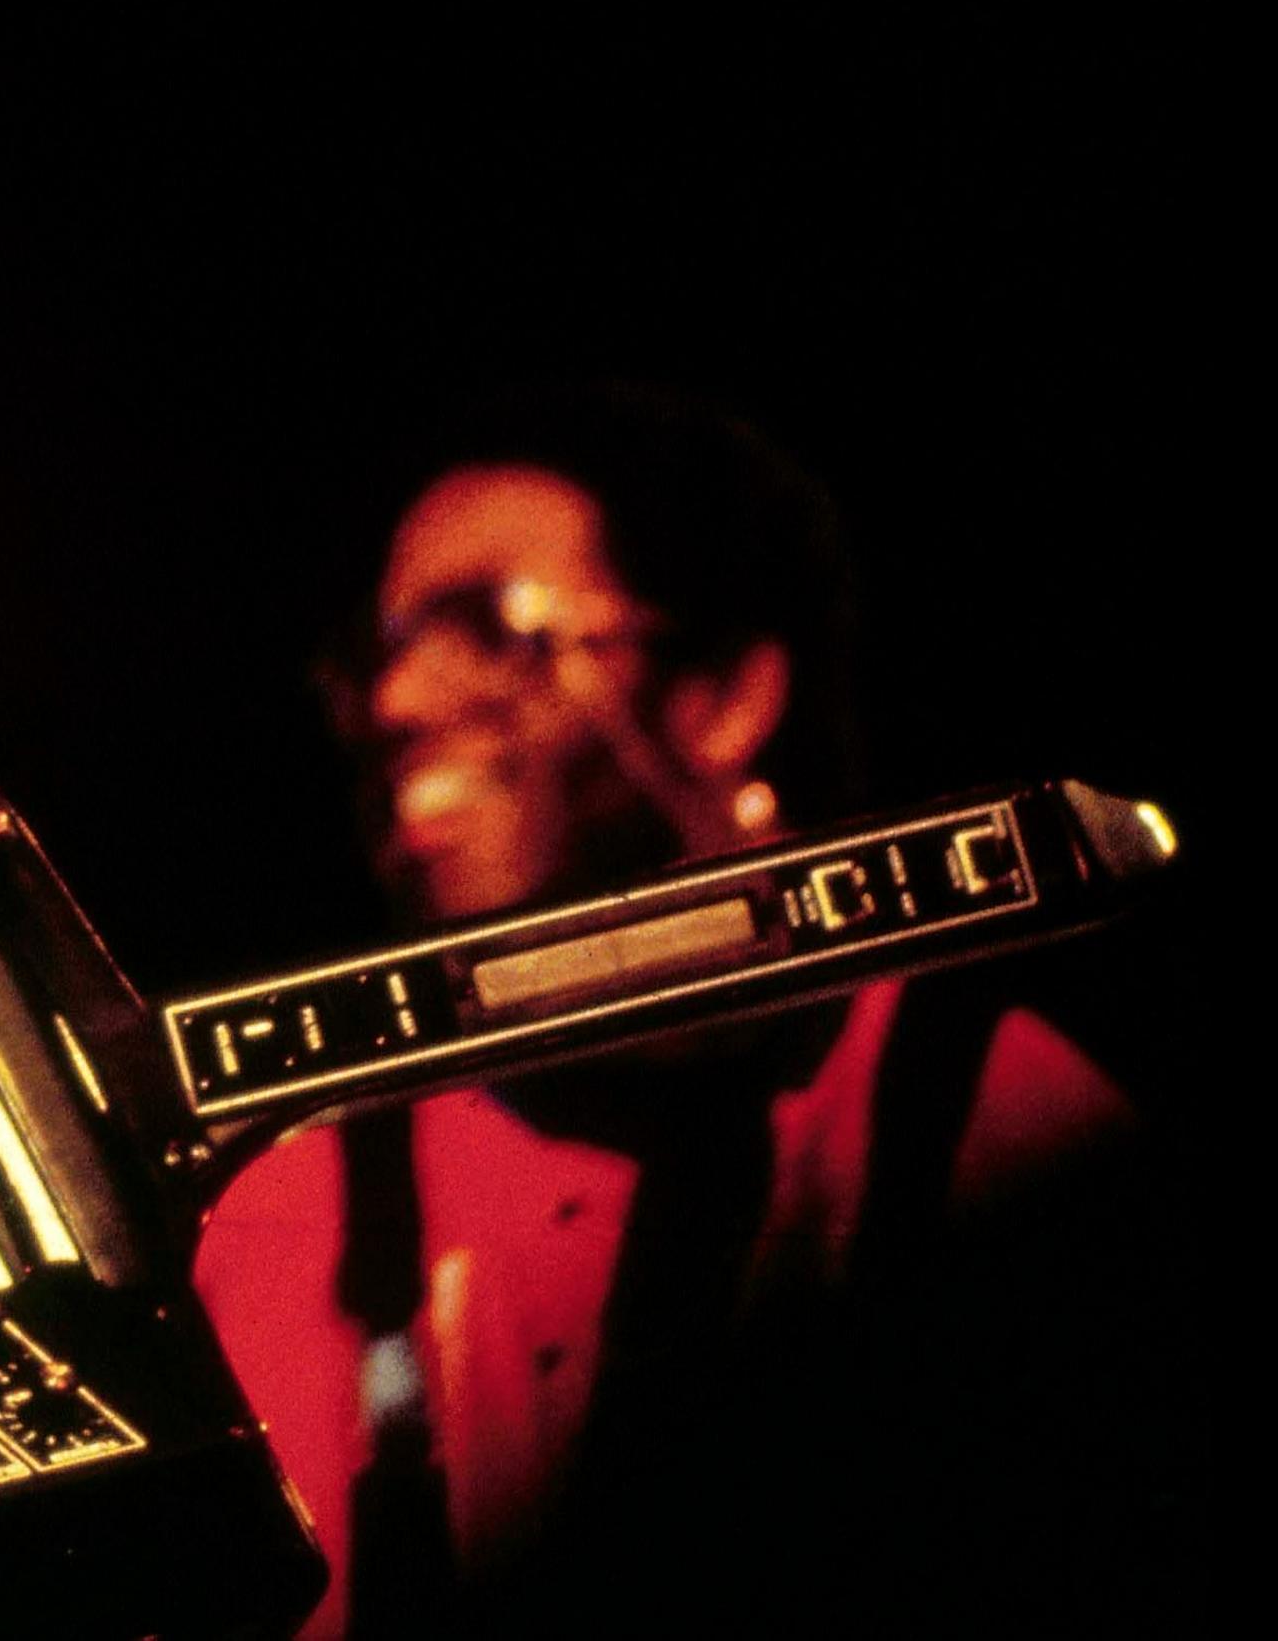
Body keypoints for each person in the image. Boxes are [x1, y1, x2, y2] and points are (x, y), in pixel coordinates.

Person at [188, 386, 1147, 1635]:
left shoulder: (983, 1102)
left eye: (491, 627)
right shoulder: (295, 1209)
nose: (399, 704)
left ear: (725, 696)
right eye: (375, 657)